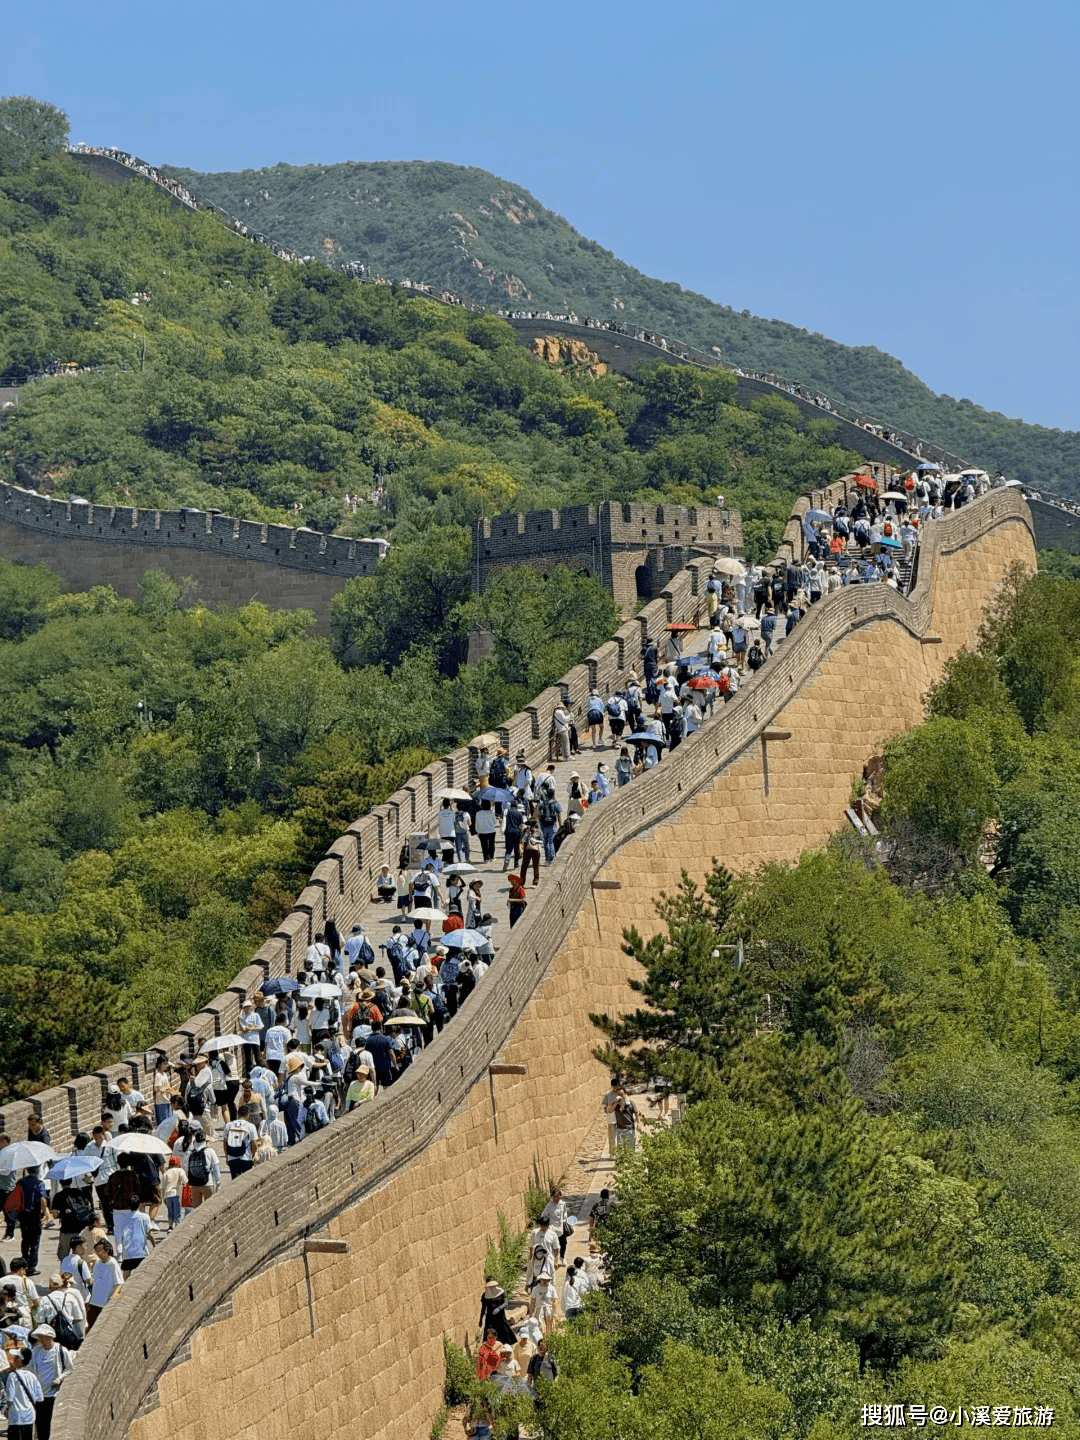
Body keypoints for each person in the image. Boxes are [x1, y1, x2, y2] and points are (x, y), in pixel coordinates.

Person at [27, 1324, 73, 1440]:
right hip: (39, 1395)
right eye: (40, 1338)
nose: (41, 1341)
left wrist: (60, 1378)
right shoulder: (36, 1351)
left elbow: (69, 1368)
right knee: (41, 1425)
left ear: (50, 1337)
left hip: (53, 1394)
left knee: (51, 1423)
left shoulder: (60, 1350)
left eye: (44, 1337)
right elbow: (30, 1369)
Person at [2, 1345, 43, 1440]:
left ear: (20, 1360)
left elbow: (10, 1398)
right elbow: (39, 1398)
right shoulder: (32, 1376)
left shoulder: (12, 1376)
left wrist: (6, 1410)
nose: (13, 1359)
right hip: (29, 1416)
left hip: (16, 1417)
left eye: (16, 1357)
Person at [16, 1167, 47, 1276]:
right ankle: (31, 1267)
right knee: (34, 1242)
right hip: (34, 1216)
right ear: (37, 1171)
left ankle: (23, 1264)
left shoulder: (20, 1182)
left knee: (25, 1240)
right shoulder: (39, 1182)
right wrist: (45, 1212)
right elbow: (43, 1199)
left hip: (23, 1215)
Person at [114, 1199, 157, 1276]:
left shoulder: (123, 1219)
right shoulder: (145, 1217)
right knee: (144, 1275)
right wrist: (154, 1246)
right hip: (142, 1252)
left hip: (128, 1252)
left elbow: (119, 1236)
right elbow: (150, 1234)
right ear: (139, 1204)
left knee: (126, 1277)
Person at [86, 1240, 123, 1329]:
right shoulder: (97, 1263)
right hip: (94, 1301)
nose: (98, 1253)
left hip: (105, 1303)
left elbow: (119, 1282)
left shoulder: (112, 1263)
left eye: (100, 1250)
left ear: (106, 1250)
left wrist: (114, 1295)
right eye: (96, 1251)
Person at [477, 1279, 516, 1346]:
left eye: (492, 1286)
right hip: (490, 1317)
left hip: (500, 1316)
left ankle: (507, 1345)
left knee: (504, 1331)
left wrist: (499, 1308)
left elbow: (505, 1302)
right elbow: (483, 1308)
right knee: (488, 1332)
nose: (491, 1288)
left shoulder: (501, 1292)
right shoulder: (485, 1295)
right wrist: (481, 1320)